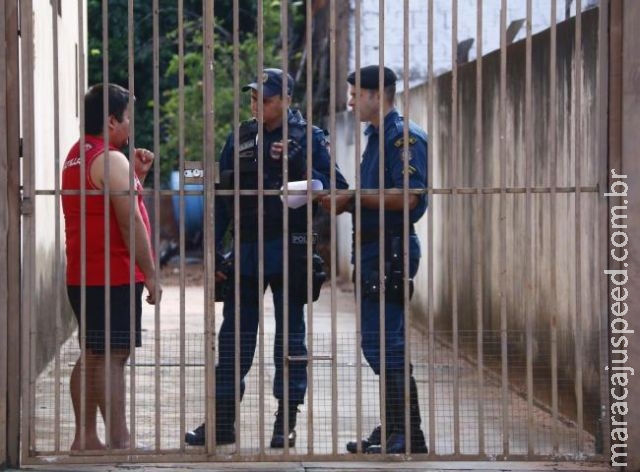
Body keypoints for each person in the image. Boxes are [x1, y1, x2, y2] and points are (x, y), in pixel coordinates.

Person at [185, 68, 348, 448]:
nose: (257, 104)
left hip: (290, 249)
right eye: (255, 96)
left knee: (290, 340)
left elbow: (337, 189)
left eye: (267, 98)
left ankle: (285, 422)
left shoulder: (310, 137)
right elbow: (223, 195)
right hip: (245, 251)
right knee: (234, 340)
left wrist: (302, 166)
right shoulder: (241, 136)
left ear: (288, 100)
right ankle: (222, 421)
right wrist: (213, 254)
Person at [319, 65, 429, 454]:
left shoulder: (402, 138)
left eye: (355, 94)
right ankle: (396, 426)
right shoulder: (375, 136)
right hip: (372, 249)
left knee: (387, 341)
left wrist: (352, 199)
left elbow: (408, 197)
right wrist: (347, 201)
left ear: (376, 93)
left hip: (391, 249)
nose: (349, 101)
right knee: (377, 342)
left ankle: (408, 433)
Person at [62, 83, 161, 450]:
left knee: (92, 352)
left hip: (83, 273)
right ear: (110, 120)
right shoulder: (110, 159)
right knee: (114, 355)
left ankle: (85, 437)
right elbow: (129, 221)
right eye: (127, 118)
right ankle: (120, 439)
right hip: (112, 274)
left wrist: (138, 177)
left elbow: (108, 206)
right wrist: (150, 273)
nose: (130, 125)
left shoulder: (79, 154)